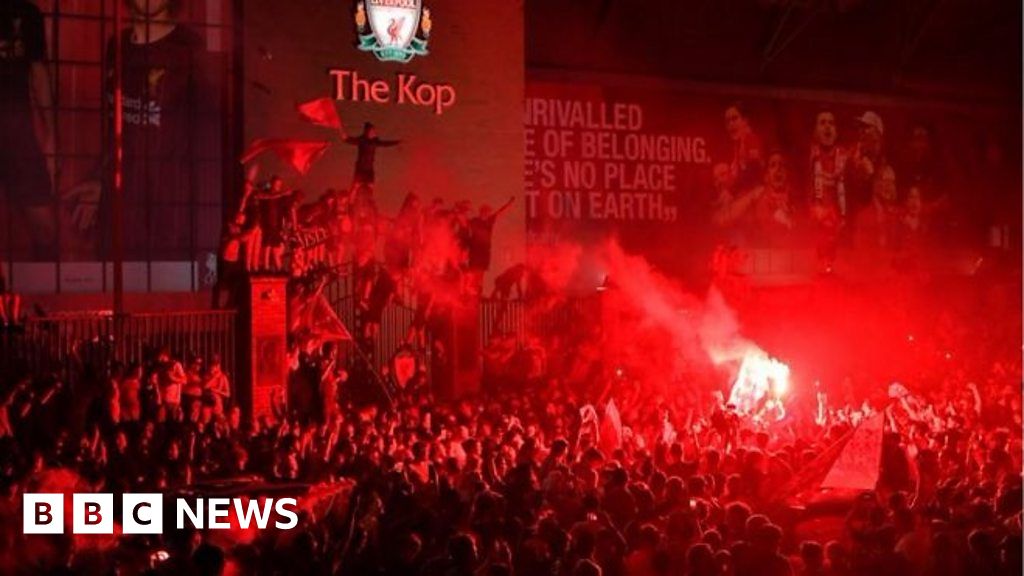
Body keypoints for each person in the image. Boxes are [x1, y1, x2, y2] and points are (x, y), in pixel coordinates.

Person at [65, 0, 217, 260]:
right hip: (121, 207)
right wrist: (101, 180)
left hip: (168, 211)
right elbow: (115, 125)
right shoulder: (118, 47)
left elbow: (206, 139)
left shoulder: (189, 49)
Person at [1, 0, 56, 260]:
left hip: (16, 133)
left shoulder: (27, 13)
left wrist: (51, 135)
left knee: (45, 229)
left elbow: (38, 71)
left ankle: (45, 299)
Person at [466, 196, 515, 294]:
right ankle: (470, 292)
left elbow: (500, 212)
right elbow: (464, 223)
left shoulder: (489, 221)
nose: (488, 214)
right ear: (482, 212)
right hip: (475, 251)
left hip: (484, 252)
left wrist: (509, 204)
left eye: (489, 212)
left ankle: (478, 293)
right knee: (473, 273)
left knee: (481, 274)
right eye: (486, 212)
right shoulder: (474, 221)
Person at [344, 121, 400, 186]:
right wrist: (346, 138)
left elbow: (385, 143)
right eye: (372, 130)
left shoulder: (374, 141)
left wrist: (396, 142)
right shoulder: (362, 140)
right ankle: (350, 196)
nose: (374, 132)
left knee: (371, 185)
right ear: (367, 131)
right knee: (356, 185)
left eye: (373, 130)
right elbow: (352, 141)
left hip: (369, 168)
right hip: (360, 168)